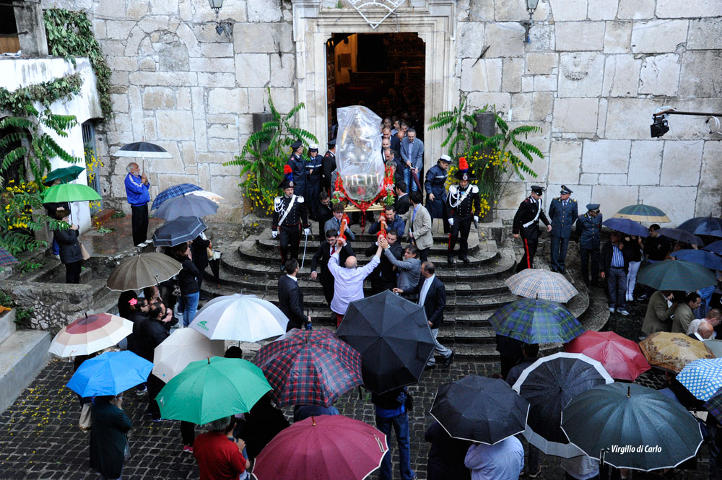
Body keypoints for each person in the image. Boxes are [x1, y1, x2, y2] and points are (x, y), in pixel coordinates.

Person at [398, 261, 453, 368]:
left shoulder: (439, 285)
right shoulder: (423, 279)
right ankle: (431, 361)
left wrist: (431, 320)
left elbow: (441, 306)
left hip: (432, 319)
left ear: (427, 271)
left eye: (422, 268)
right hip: (421, 315)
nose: (420, 270)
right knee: (426, 340)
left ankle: (448, 353)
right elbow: (415, 289)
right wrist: (402, 291)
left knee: (430, 341)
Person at [505, 343, 542, 478]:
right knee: (535, 440)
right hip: (537, 409)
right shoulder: (543, 369)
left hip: (519, 409)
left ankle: (519, 467)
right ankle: (533, 468)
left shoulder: (515, 371)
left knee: (517, 437)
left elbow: (508, 392)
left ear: (524, 352)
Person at [327, 236, 382, 327]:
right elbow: (374, 262)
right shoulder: (360, 272)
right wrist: (380, 247)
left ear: (344, 263)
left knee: (340, 326)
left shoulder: (338, 272)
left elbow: (331, 262)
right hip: (354, 307)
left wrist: (338, 248)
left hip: (340, 307)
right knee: (354, 325)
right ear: (356, 264)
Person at [136, 302, 173, 420]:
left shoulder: (145, 322)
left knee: (152, 387)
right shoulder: (158, 331)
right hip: (156, 362)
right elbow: (164, 346)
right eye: (164, 310)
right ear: (160, 314)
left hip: (147, 359)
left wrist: (164, 322)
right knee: (158, 388)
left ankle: (152, 409)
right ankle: (157, 413)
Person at [372, 387, 415, 480]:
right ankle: (406, 474)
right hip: (399, 409)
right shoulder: (397, 372)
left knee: (384, 445)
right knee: (404, 443)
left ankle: (386, 476)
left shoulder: (373, 373)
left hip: (382, 411)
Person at [233, 392, 289, 462]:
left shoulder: (249, 415)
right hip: (268, 451)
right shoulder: (275, 414)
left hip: (253, 449)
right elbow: (285, 427)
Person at [272, 171, 311, 271]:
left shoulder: (299, 199)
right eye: (288, 189)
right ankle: (284, 262)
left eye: (292, 189)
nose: (290, 191)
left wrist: (306, 226)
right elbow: (276, 215)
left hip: (295, 227)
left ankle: (294, 263)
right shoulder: (279, 200)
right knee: (283, 246)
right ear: (284, 190)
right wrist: (274, 228)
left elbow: (303, 214)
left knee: (295, 247)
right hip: (284, 227)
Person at [447, 157, 481, 265]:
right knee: (454, 235)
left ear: (468, 181)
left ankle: (463, 255)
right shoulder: (454, 189)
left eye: (465, 181)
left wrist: (476, 215)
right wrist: (450, 217)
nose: (463, 183)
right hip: (456, 216)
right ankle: (450, 254)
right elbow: (449, 205)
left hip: (467, 217)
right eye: (461, 181)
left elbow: (477, 204)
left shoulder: (473, 190)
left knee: (464, 237)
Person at [89, 394, 132, 480]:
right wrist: (119, 406)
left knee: (104, 472)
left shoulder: (95, 406)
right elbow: (127, 425)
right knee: (114, 475)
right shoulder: (114, 412)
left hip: (100, 446)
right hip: (113, 449)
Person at [193, 416, 249, 480]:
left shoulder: (199, 439)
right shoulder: (231, 448)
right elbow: (241, 468)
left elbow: (197, 458)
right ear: (228, 425)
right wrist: (240, 450)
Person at [512, 185, 551, 272]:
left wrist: (547, 223)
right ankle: (529, 271)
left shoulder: (539, 200)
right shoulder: (526, 203)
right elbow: (517, 217)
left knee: (532, 250)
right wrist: (515, 231)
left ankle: (520, 268)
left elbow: (540, 213)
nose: (540, 197)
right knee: (529, 252)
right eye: (538, 195)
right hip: (526, 230)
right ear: (533, 194)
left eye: (540, 195)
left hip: (534, 230)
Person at [310, 230, 355, 306]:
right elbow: (316, 257)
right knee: (328, 292)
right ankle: (331, 305)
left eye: (332, 240)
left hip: (340, 273)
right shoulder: (324, 245)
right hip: (327, 273)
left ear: (337, 238)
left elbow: (352, 255)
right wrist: (313, 270)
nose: (330, 242)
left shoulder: (345, 244)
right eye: (328, 240)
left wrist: (345, 244)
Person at [548, 185, 578, 274]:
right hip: (556, 228)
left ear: (568, 195)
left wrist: (568, 225)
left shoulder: (573, 203)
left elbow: (574, 216)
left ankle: (561, 265)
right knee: (554, 248)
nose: (561, 195)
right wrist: (556, 223)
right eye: (561, 194)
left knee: (564, 249)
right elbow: (551, 213)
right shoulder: (555, 201)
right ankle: (554, 266)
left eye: (564, 194)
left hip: (566, 229)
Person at [600, 231, 630, 316]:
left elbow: (630, 256)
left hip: (622, 270)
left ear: (619, 237)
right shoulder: (607, 245)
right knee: (611, 288)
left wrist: (623, 249)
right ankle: (612, 305)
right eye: (611, 236)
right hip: (611, 269)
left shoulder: (624, 245)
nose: (612, 238)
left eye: (614, 236)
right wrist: (602, 270)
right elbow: (602, 258)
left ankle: (621, 307)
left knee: (623, 288)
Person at [172, 243, 201, 327]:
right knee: (192, 309)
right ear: (183, 251)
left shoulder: (177, 260)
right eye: (187, 248)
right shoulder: (187, 262)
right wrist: (190, 261)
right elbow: (196, 272)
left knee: (187, 308)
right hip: (191, 289)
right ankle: (191, 327)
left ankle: (185, 325)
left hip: (183, 289)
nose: (189, 248)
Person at [366, 229, 402, 295]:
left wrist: (386, 247)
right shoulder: (380, 243)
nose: (389, 240)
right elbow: (367, 253)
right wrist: (377, 243)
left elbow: (397, 256)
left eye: (392, 239)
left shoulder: (398, 247)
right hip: (376, 277)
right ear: (386, 236)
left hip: (388, 279)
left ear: (396, 240)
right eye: (388, 238)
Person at [278, 259, 310, 331]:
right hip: (292, 321)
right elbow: (294, 308)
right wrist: (306, 318)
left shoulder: (281, 279)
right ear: (296, 269)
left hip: (283, 316)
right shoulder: (293, 288)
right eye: (298, 266)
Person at [124, 162, 151, 247]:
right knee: (138, 224)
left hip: (144, 203)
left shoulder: (138, 177)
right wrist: (142, 182)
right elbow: (138, 189)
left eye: (138, 167)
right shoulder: (129, 179)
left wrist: (145, 180)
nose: (139, 169)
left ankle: (144, 239)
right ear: (131, 170)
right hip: (137, 205)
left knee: (144, 222)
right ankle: (138, 242)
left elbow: (146, 187)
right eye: (137, 168)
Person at [53, 209, 83, 283]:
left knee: (77, 271)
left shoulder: (66, 225)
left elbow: (75, 235)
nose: (68, 219)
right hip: (68, 255)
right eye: (66, 217)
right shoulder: (58, 228)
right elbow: (68, 239)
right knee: (71, 273)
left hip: (75, 253)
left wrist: (75, 229)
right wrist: (72, 230)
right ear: (62, 218)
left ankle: (77, 288)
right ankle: (71, 289)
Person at [576, 204, 603, 286]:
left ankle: (594, 281)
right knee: (584, 263)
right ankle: (586, 281)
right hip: (585, 243)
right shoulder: (581, 218)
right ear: (590, 212)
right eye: (596, 212)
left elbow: (599, 228)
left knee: (595, 263)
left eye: (598, 211)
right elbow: (578, 231)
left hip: (595, 243)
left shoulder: (599, 216)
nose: (598, 213)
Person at [425, 154, 451, 233]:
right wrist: (429, 193)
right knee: (430, 213)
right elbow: (427, 183)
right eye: (446, 165)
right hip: (433, 193)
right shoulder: (432, 171)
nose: (447, 167)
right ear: (441, 163)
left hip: (442, 193)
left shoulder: (444, 170)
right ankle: (428, 231)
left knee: (446, 211)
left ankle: (447, 230)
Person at [406, 190, 433, 262]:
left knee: (423, 261)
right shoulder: (411, 209)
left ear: (411, 200)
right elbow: (405, 216)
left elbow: (427, 226)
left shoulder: (423, 211)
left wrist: (414, 234)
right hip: (415, 241)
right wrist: (393, 215)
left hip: (424, 242)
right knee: (413, 260)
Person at [399, 128, 424, 192]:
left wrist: (417, 167)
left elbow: (419, 156)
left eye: (412, 137)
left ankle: (414, 200)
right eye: (409, 137)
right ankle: (406, 200)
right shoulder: (404, 141)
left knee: (414, 186)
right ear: (407, 135)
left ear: (415, 135)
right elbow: (402, 152)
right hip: (406, 165)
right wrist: (406, 160)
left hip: (416, 166)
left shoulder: (420, 143)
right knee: (406, 184)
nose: (410, 138)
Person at [305, 143, 323, 220]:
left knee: (317, 198)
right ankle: (312, 214)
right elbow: (301, 172)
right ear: (309, 152)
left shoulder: (320, 158)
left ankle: (318, 214)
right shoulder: (306, 160)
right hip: (309, 183)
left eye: (315, 151)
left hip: (318, 182)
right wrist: (308, 172)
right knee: (310, 199)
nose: (314, 153)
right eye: (312, 152)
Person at [623, 234, 643, 302]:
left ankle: (630, 293)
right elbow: (623, 248)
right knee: (627, 276)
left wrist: (640, 243)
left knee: (633, 276)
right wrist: (626, 241)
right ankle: (625, 293)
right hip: (628, 259)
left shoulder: (639, 238)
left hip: (636, 260)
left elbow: (642, 249)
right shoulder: (626, 237)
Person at [190, 231, 211, 297]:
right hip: (199, 260)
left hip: (200, 259)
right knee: (199, 277)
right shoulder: (195, 235)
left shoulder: (199, 233)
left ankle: (198, 290)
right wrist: (208, 242)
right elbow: (202, 243)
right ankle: (198, 292)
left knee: (200, 276)